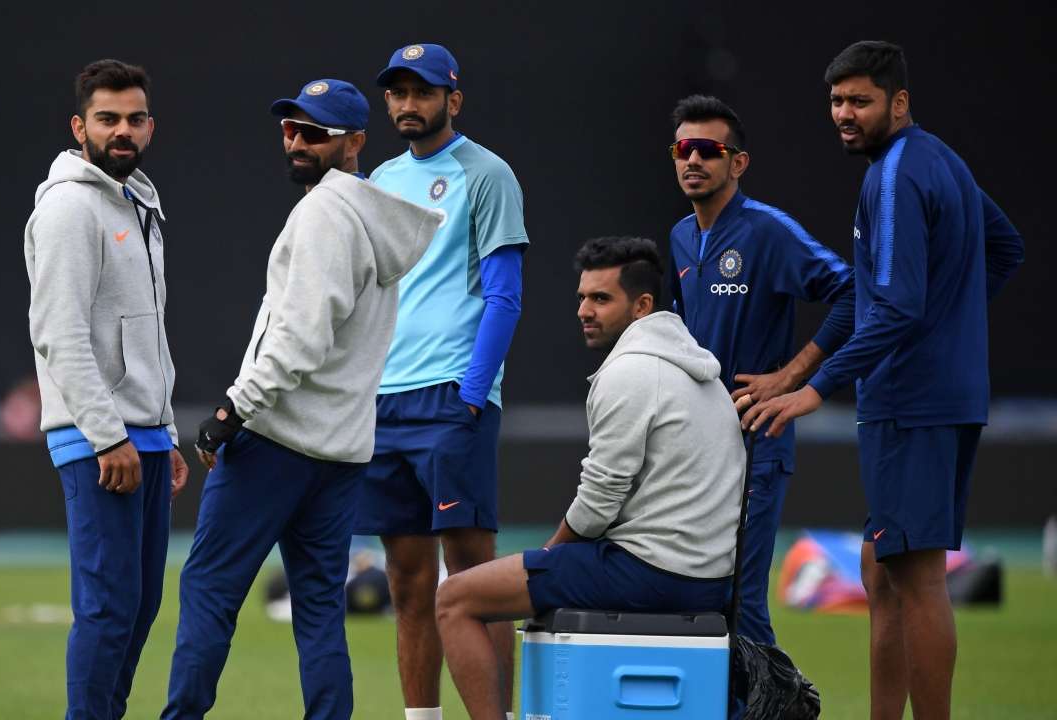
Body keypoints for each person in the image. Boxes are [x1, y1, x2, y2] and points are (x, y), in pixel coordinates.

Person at [742, 41, 1024, 719]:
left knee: (919, 579)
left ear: (899, 103)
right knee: (882, 569)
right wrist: (948, 327)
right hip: (944, 396)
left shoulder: (893, 177)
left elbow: (895, 307)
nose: (845, 114)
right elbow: (1004, 247)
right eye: (837, 101)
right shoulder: (942, 161)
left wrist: (815, 387)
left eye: (860, 101)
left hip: (908, 402)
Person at [162, 79, 441, 720]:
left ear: (354, 142)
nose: (295, 141)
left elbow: (298, 337)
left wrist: (233, 411)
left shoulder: (323, 213)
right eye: (290, 128)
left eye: (314, 132)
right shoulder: (371, 216)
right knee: (319, 612)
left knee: (209, 590)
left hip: (276, 441)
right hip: (339, 453)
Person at [435, 236, 744, 720]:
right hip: (708, 579)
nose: (584, 310)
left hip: (651, 573)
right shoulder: (699, 372)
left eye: (601, 299)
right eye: (582, 296)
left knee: (455, 597)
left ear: (642, 306)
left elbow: (598, 503)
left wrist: (550, 554)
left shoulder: (630, 373)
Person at [354, 43, 528, 720]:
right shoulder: (380, 181)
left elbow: (505, 296)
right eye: (397, 93)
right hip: (384, 403)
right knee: (405, 580)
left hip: (452, 397)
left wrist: (472, 396)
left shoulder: (487, 174)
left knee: (476, 578)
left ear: (453, 98)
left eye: (421, 92)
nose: (407, 104)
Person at [24, 58, 189, 720]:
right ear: (79, 126)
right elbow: (58, 332)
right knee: (108, 605)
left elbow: (147, 334)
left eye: (134, 118)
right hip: (100, 438)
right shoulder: (68, 207)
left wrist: (166, 431)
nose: (123, 130)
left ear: (150, 125)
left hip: (141, 433)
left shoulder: (138, 200)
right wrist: (107, 434)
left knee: (140, 605)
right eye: (108, 118)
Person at [666, 94, 856, 646]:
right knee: (703, 593)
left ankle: (774, 705)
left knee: (741, 599)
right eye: (684, 148)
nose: (693, 160)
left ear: (738, 162)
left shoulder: (766, 231)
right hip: (696, 443)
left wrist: (792, 375)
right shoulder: (681, 235)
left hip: (756, 440)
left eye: (708, 150)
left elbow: (850, 291)